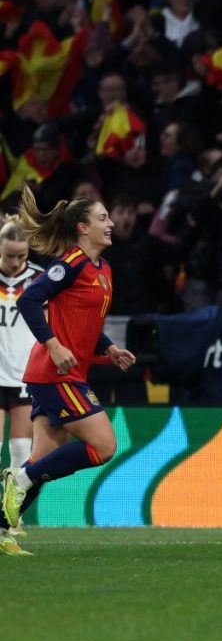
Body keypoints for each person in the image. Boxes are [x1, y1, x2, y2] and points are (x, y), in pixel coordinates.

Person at [1, 186, 136, 546]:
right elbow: (30, 299)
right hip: (55, 373)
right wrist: (54, 345)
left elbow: (84, 322)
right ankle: (19, 479)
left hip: (65, 371)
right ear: (82, 227)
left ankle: (1, 532)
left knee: (41, 460)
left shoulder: (103, 269)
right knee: (104, 446)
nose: (109, 224)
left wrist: (108, 348)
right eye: (102, 218)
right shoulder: (70, 264)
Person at [0, 216, 43, 555]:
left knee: (19, 451)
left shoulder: (40, 280)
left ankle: (10, 520)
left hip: (23, 376)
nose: (16, 262)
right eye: (9, 255)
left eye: (21, 255)